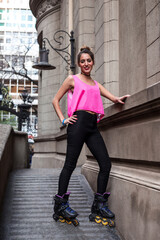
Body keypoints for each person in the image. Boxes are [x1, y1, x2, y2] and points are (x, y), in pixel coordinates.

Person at [52, 46, 130, 226]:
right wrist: (64, 120)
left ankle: (99, 206)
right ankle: (60, 205)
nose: (86, 64)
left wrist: (121, 98)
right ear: (79, 64)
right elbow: (55, 100)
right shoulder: (72, 79)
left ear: (93, 62)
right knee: (70, 165)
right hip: (77, 123)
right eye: (82, 61)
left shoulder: (96, 84)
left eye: (89, 60)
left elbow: (114, 99)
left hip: (92, 126)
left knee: (105, 163)